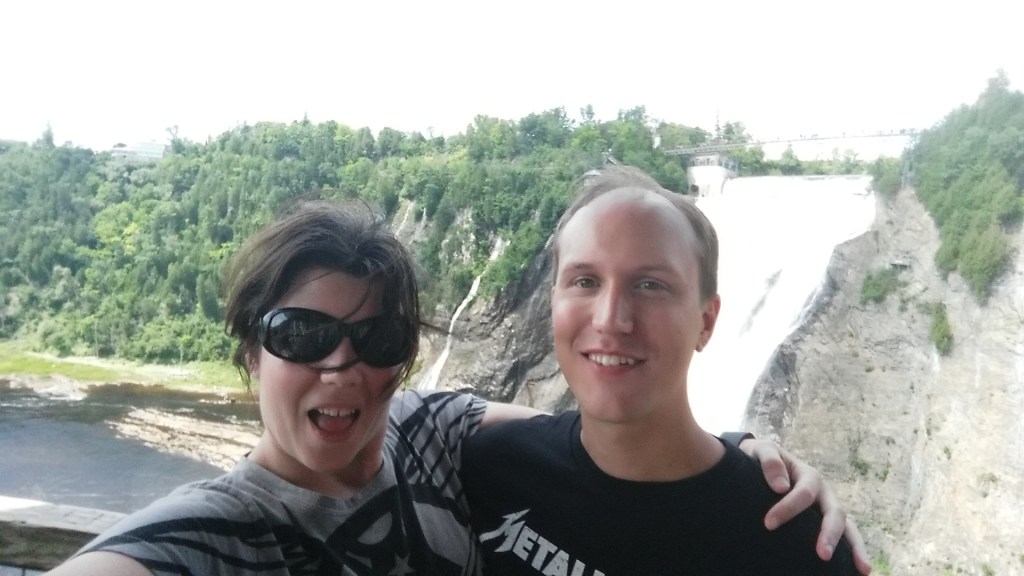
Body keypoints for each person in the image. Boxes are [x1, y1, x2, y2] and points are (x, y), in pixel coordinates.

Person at [47, 200, 863, 575]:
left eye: (376, 338)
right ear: (251, 353)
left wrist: (749, 462)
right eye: (300, 335)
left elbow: (595, 436)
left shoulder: (439, 439)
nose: (340, 364)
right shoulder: (211, 533)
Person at [462, 166, 869, 575]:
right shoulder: (489, 468)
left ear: (706, 322)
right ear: (554, 304)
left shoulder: (798, 545)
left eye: (651, 285)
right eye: (585, 281)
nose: (610, 319)